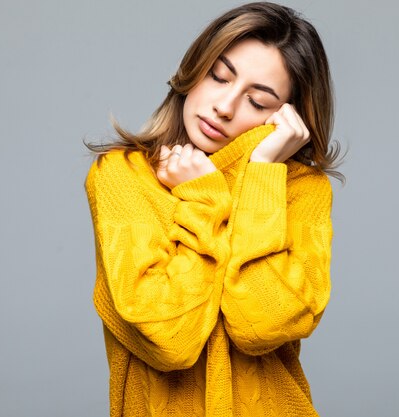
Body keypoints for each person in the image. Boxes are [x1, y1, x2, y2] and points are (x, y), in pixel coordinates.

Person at [85, 2, 341, 415]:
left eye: (257, 102)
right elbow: (169, 339)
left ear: (287, 118)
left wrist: (261, 177)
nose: (224, 106)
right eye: (219, 76)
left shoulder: (302, 190)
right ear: (194, 68)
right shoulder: (123, 176)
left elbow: (262, 325)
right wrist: (204, 199)